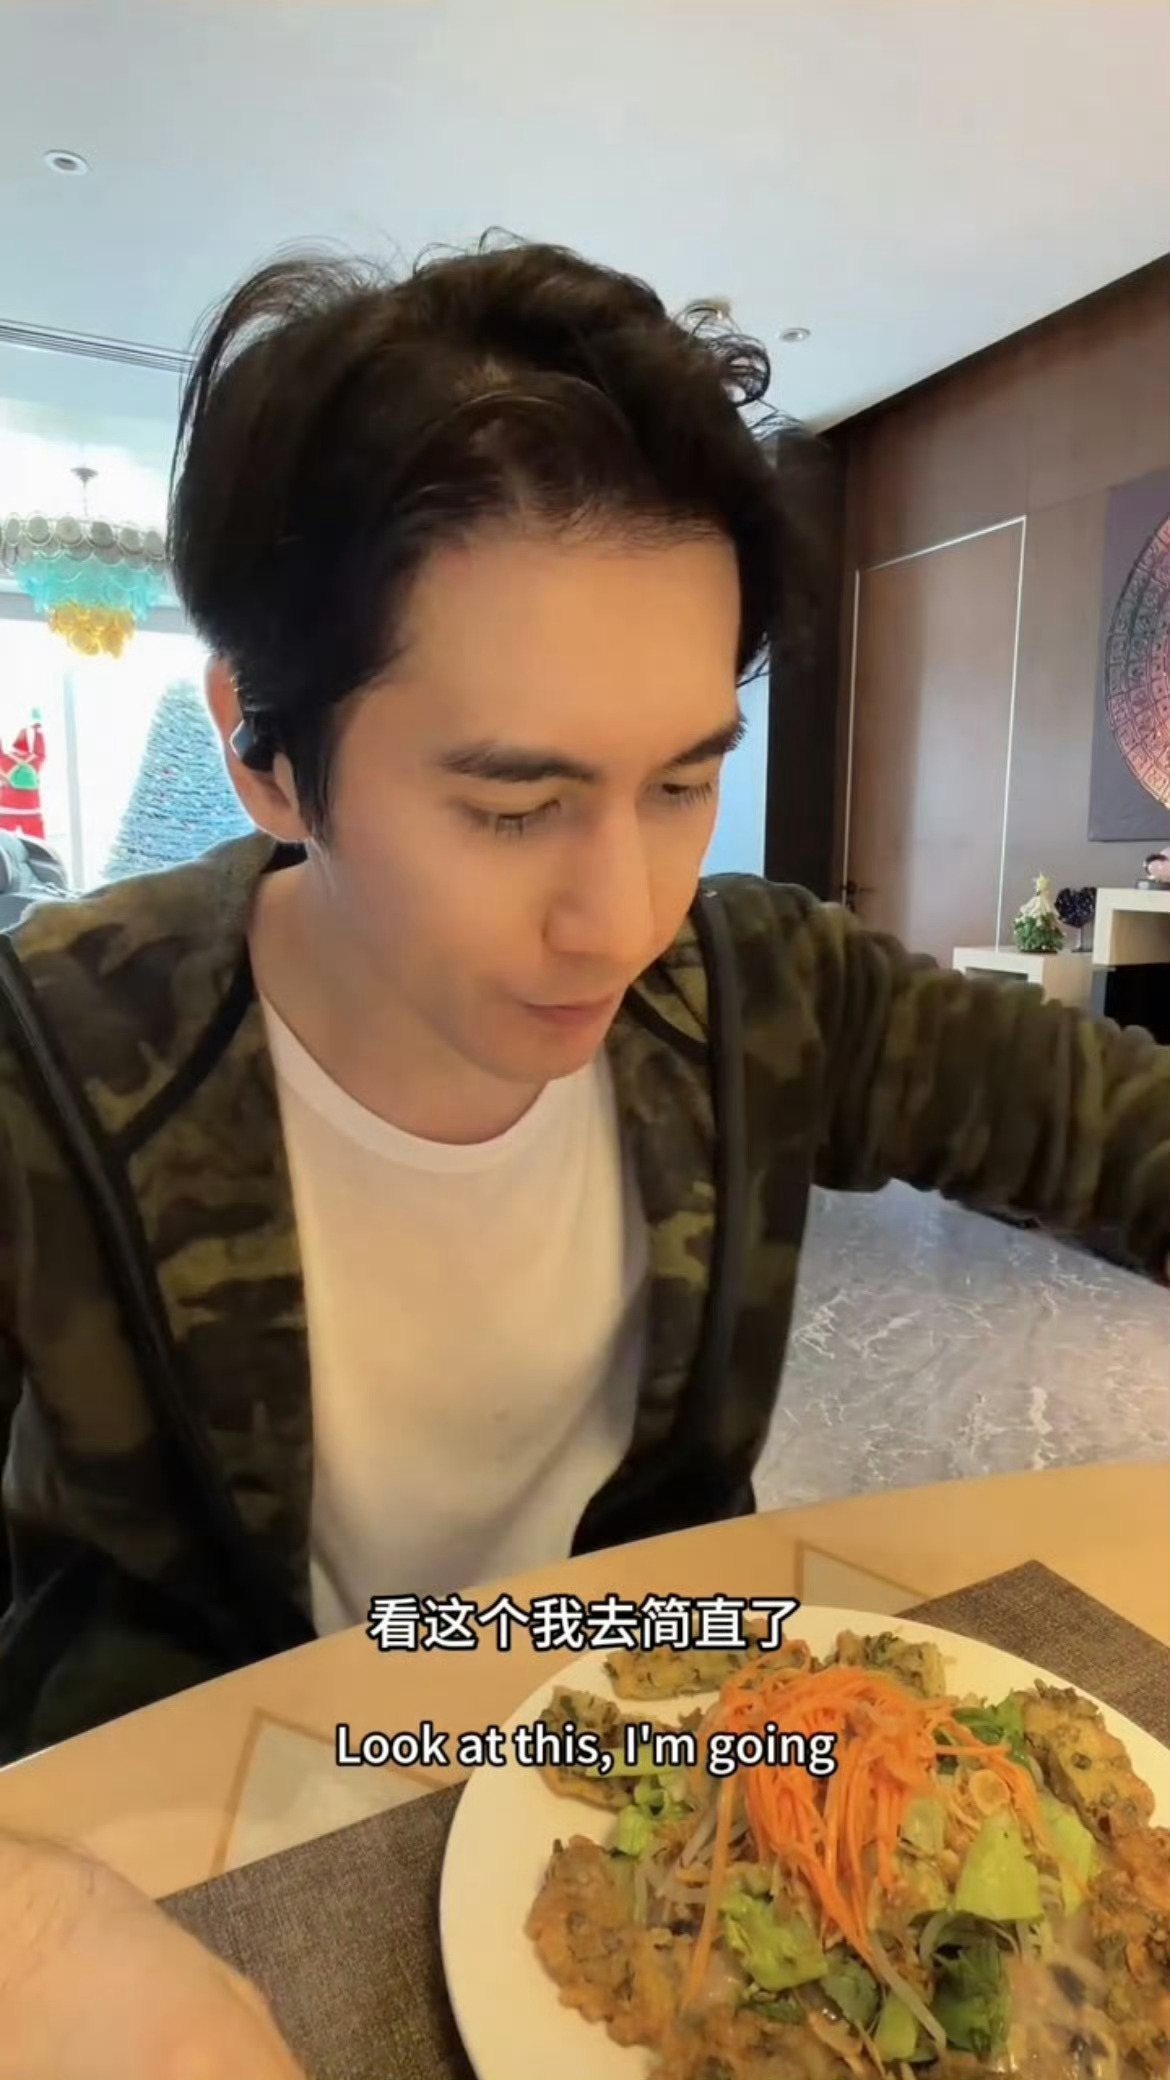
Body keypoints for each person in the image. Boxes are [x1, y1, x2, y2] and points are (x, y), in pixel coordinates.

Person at [0, 237, 1167, 2074]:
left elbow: (1127, 1139)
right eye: (512, 805)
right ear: (266, 754)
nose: (620, 917)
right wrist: (37, 1931)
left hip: (655, 1806)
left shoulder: (759, 997)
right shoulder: (57, 1065)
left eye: (683, 782)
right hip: (189, 1840)